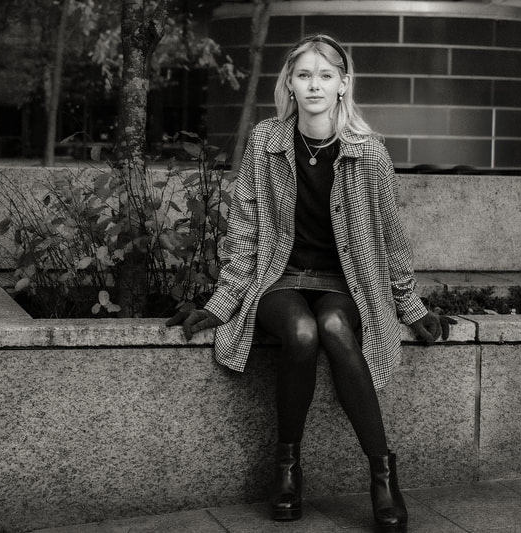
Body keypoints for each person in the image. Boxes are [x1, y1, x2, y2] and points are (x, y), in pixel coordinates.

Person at [167, 34, 454, 533]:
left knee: (337, 329)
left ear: (343, 84)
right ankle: (287, 469)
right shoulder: (266, 142)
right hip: (279, 278)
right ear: (290, 85)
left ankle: (383, 476)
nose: (314, 85)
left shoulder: (369, 153)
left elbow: (390, 237)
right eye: (304, 75)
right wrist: (221, 303)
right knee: (300, 332)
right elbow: (245, 228)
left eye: (325, 75)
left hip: (344, 283)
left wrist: (411, 307)